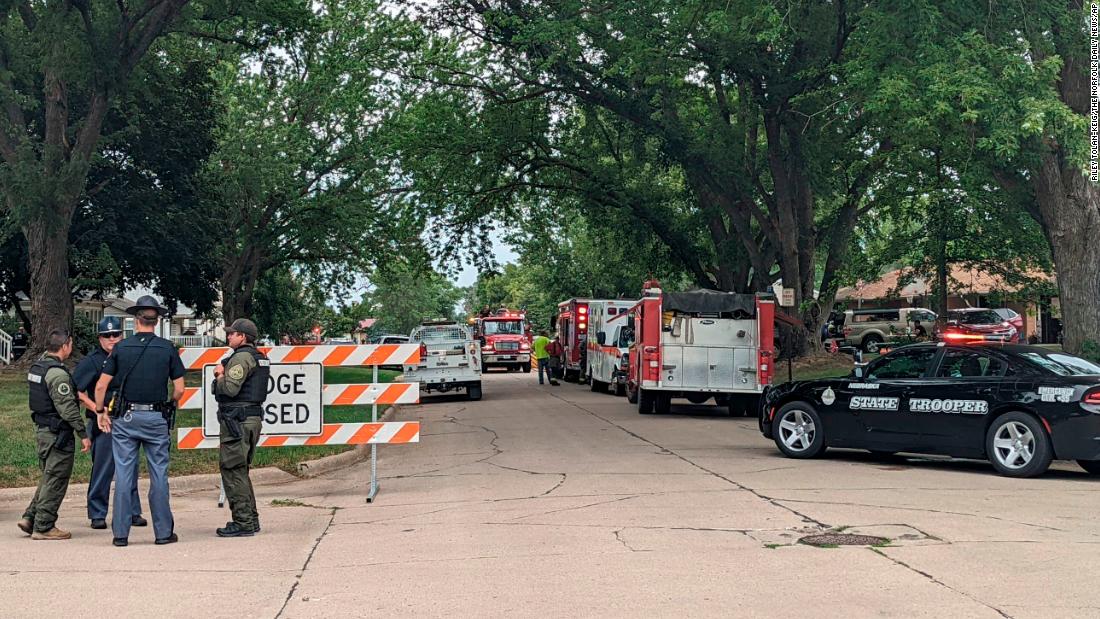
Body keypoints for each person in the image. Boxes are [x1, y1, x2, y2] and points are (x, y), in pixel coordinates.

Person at [93, 295, 185, 547]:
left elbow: (101, 385)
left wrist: (101, 411)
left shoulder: (121, 348)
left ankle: (120, 534)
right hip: (156, 417)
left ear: (136, 320)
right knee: (159, 474)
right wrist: (171, 403)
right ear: (157, 320)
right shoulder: (167, 348)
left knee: (123, 474)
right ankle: (163, 532)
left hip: (126, 417)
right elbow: (179, 388)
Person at [19, 329, 91, 540]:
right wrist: (82, 432)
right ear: (65, 345)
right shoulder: (57, 373)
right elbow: (67, 408)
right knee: (57, 478)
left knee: (48, 477)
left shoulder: (38, 367)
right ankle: (44, 526)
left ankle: (30, 517)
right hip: (57, 433)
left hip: (43, 430)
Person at [73, 317, 145, 530]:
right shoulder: (92, 361)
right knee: (104, 468)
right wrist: (96, 408)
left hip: (127, 417)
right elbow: (75, 389)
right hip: (103, 421)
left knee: (130, 467)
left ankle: (132, 511)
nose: (112, 339)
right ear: (100, 338)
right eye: (107, 336)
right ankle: (97, 513)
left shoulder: (128, 356)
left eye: (116, 335)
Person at [212, 318, 270, 538]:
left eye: (232, 333)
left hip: (237, 422)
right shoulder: (258, 357)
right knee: (241, 470)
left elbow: (229, 389)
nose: (229, 336)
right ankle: (251, 519)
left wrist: (219, 374)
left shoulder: (242, 358)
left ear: (243, 337)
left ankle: (243, 522)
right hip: (250, 420)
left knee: (232, 469)